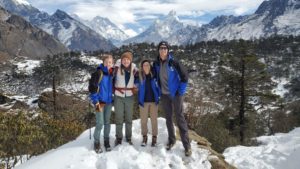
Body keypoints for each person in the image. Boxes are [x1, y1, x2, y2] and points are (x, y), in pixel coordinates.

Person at [153, 41, 192, 156]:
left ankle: (187, 146)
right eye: (161, 48)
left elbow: (185, 76)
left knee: (180, 118)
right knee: (168, 118)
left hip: (175, 95)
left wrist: (180, 91)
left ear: (168, 50)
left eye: (165, 48)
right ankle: (172, 140)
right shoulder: (156, 64)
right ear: (158, 50)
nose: (163, 50)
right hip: (164, 95)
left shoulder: (174, 62)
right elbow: (154, 76)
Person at [89, 54, 114, 153]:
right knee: (100, 123)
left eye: (110, 62)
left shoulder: (112, 74)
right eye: (107, 62)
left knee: (107, 122)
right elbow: (92, 88)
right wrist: (95, 101)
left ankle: (106, 140)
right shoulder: (98, 73)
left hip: (108, 102)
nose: (109, 64)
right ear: (103, 62)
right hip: (99, 103)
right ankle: (96, 142)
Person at [114, 51, 138, 146]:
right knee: (119, 118)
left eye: (128, 59)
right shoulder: (116, 68)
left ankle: (128, 137)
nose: (126, 61)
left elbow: (140, 78)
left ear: (130, 60)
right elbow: (109, 77)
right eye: (124, 59)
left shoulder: (134, 69)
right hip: (118, 96)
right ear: (121, 60)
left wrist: (137, 86)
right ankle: (119, 138)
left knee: (128, 118)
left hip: (129, 96)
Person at [137, 59, 160, 147]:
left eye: (147, 65)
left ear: (150, 66)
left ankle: (154, 138)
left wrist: (159, 95)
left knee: (154, 120)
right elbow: (135, 85)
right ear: (142, 67)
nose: (146, 67)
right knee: (144, 120)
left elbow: (159, 86)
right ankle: (144, 137)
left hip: (154, 101)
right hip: (143, 102)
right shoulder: (139, 77)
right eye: (144, 65)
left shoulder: (154, 76)